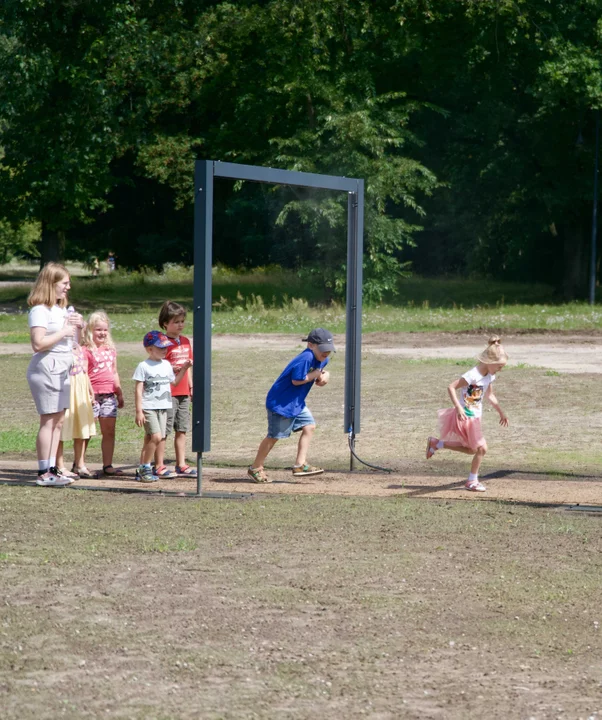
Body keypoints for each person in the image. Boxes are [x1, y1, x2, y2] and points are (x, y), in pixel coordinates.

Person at [247, 328, 335, 483]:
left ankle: (300, 465)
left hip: (296, 403)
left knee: (309, 426)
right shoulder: (306, 357)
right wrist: (316, 375)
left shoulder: (322, 358)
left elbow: (320, 371)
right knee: (274, 437)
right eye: (323, 349)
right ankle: (256, 467)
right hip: (281, 403)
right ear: (310, 345)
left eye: (328, 350)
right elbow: (297, 380)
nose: (326, 353)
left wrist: (324, 375)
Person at [426, 335, 509, 492]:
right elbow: (451, 387)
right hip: (466, 417)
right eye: (499, 366)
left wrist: (501, 413)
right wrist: (458, 407)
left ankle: (437, 443)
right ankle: (472, 481)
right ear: (490, 362)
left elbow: (489, 395)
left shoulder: (490, 376)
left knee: (472, 449)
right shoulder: (472, 375)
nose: (500, 370)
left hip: (476, 418)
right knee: (482, 448)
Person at [26, 262, 84, 487]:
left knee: (59, 420)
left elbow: (73, 344)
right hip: (47, 368)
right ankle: (43, 471)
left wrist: (79, 327)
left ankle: (53, 468)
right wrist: (63, 332)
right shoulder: (39, 310)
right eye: (64, 283)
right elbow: (38, 344)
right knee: (48, 420)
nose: (68, 287)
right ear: (51, 284)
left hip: (63, 368)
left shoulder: (61, 310)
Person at [133, 331, 192, 483]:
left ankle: (141, 468)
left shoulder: (166, 365)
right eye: (160, 348)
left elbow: (174, 382)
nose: (164, 350)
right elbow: (138, 389)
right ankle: (145, 467)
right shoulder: (143, 366)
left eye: (165, 347)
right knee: (157, 437)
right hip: (149, 407)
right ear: (149, 349)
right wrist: (139, 411)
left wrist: (184, 369)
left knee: (150, 439)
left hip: (163, 406)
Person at [153, 301, 196, 477]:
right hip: (168, 392)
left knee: (182, 428)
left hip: (184, 391)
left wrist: (191, 385)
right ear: (165, 324)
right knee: (164, 429)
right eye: (176, 322)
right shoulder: (162, 344)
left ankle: (181, 463)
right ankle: (159, 465)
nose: (180, 325)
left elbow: (189, 366)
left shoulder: (185, 342)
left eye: (182, 321)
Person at [81, 311, 124, 476]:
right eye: (98, 329)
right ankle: (80, 463)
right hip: (91, 396)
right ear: (90, 330)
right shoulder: (86, 350)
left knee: (109, 431)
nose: (102, 333)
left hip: (108, 396)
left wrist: (118, 391)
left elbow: (114, 372)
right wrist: (88, 392)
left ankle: (107, 465)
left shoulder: (110, 350)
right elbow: (83, 373)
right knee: (87, 431)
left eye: (105, 330)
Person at [56, 341, 97, 479]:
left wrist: (90, 389)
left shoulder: (80, 347)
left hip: (81, 389)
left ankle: (80, 465)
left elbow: (84, 371)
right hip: (67, 387)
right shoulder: (59, 345)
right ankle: (59, 466)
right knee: (61, 427)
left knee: (81, 426)